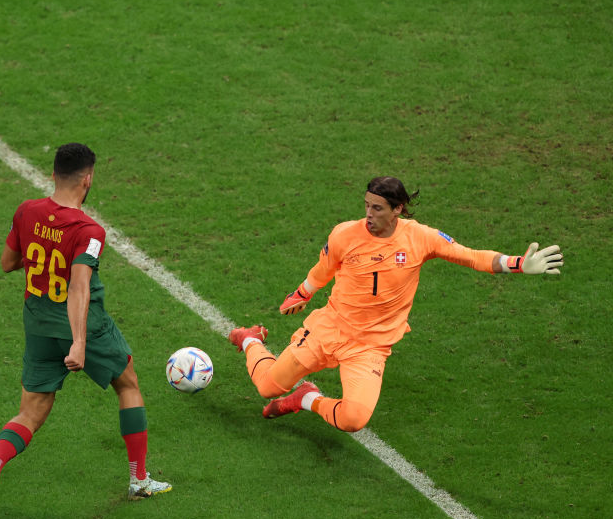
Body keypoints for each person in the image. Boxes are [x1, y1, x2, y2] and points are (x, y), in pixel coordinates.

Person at [228, 176, 563, 433]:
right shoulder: (345, 234)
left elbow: (473, 257)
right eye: (366, 206)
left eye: (377, 208)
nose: (368, 214)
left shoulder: (420, 238)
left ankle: (306, 398)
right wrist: (302, 293)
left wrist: (519, 263)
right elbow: (323, 269)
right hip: (329, 330)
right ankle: (251, 339)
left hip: (370, 346)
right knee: (267, 386)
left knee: (353, 420)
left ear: (397, 209)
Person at [0, 143, 171, 519]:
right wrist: (79, 342)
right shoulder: (90, 231)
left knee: (31, 412)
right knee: (128, 384)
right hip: (84, 327)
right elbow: (79, 286)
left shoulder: (26, 211)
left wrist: (39, 248)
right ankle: (139, 480)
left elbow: (7, 262)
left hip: (38, 324)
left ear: (53, 174)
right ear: (87, 180)